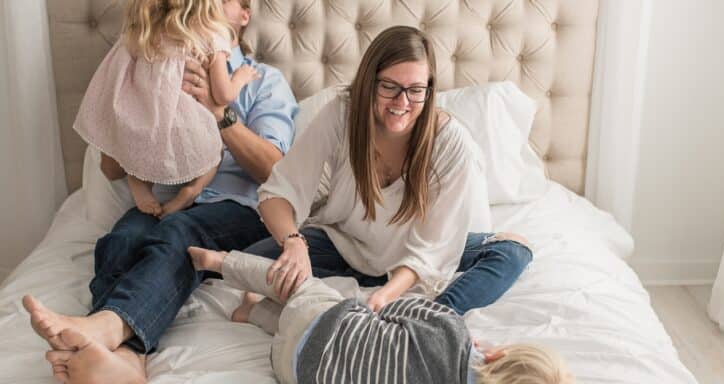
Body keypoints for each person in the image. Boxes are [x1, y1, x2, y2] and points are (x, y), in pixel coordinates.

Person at [23, 0, 297, 383]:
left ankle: (112, 333)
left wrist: (221, 114)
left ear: (243, 15)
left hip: (237, 208)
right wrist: (140, 108)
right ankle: (123, 359)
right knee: (123, 239)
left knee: (177, 233)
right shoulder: (155, 63)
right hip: (167, 201)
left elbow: (273, 170)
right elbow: (110, 168)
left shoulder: (262, 80)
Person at [235, 26, 533, 320]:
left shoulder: (451, 142)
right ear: (369, 82)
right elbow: (280, 190)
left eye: (415, 90)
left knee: (513, 252)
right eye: (389, 87)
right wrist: (293, 242)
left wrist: (386, 296)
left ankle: (434, 317)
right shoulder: (342, 113)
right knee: (249, 261)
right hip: (344, 244)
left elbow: (433, 250)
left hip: (411, 258)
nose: (402, 103)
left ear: (429, 88)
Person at [187, 248, 572, 384]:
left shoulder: (451, 333)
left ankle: (223, 263)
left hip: (318, 321)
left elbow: (400, 308)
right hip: (297, 371)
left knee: (302, 285)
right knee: (308, 342)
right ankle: (253, 312)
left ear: (498, 354)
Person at [73, 0, 262, 217]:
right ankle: (192, 189)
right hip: (185, 128)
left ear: (245, 15)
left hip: (146, 123)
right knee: (215, 151)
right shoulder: (212, 35)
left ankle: (140, 181)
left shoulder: (145, 35)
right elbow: (224, 95)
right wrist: (239, 78)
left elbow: (274, 170)